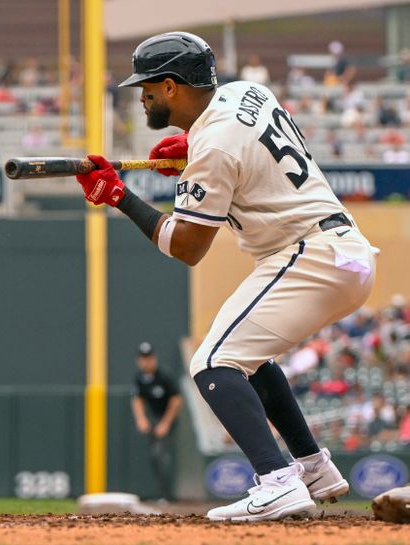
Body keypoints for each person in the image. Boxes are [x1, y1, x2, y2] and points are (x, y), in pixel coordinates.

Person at [75, 31, 377, 521]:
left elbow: (187, 248)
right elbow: (236, 148)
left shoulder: (213, 146)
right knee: (247, 359)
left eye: (148, 87)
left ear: (172, 87)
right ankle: (311, 466)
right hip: (344, 252)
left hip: (312, 255)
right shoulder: (243, 93)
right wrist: (192, 147)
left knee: (213, 363)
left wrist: (118, 197)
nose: (143, 96)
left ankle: (276, 481)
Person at [130, 342, 183, 501]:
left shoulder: (164, 375)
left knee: (161, 453)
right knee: (155, 456)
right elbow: (137, 399)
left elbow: (176, 400)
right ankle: (160, 492)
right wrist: (141, 419)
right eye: (143, 358)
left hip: (167, 418)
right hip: (153, 417)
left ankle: (167, 495)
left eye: (149, 358)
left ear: (154, 358)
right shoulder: (139, 377)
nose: (146, 362)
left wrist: (165, 423)